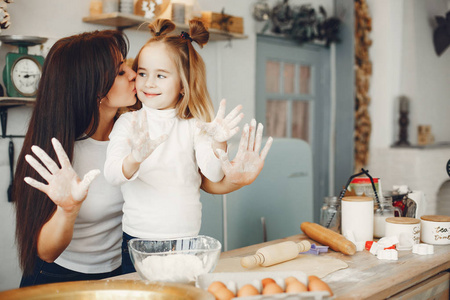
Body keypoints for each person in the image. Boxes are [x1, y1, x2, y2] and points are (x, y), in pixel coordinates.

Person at [13, 29, 272, 287]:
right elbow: (46, 252)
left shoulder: (141, 128)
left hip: (120, 272)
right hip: (59, 279)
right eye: (120, 71)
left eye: (128, 65)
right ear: (92, 89)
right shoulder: (58, 153)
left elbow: (202, 180)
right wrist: (67, 210)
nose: (135, 75)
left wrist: (238, 178)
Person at [103, 19, 272, 274]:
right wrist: (135, 157)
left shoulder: (194, 126)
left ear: (182, 84)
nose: (148, 83)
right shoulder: (128, 123)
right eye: (142, 73)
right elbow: (113, 174)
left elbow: (214, 174)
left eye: (160, 75)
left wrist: (219, 141)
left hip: (187, 241)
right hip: (139, 242)